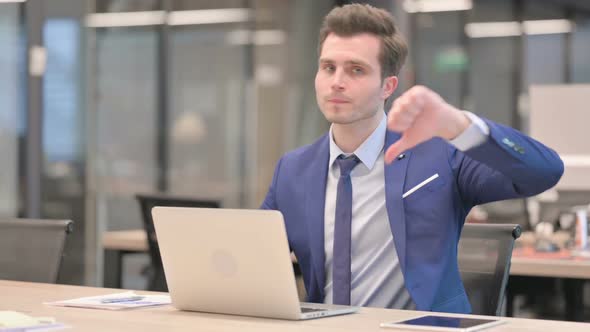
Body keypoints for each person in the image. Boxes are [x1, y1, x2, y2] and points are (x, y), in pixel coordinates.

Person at [261, 3, 563, 313]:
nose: (337, 81)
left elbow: (545, 171)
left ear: (387, 86)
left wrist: (458, 125)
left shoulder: (438, 156)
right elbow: (252, 261)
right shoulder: (293, 170)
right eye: (328, 67)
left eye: (356, 69)